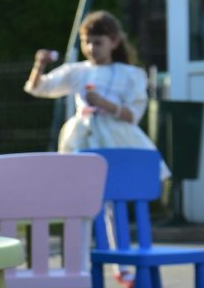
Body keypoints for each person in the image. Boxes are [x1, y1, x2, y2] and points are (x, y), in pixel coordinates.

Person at [25, 10, 169, 176]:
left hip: (116, 139)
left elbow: (133, 115)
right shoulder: (77, 71)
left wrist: (103, 103)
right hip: (82, 137)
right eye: (87, 42)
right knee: (81, 182)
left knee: (116, 181)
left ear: (114, 42)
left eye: (98, 42)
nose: (91, 48)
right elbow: (38, 88)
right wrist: (39, 65)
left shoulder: (130, 74)